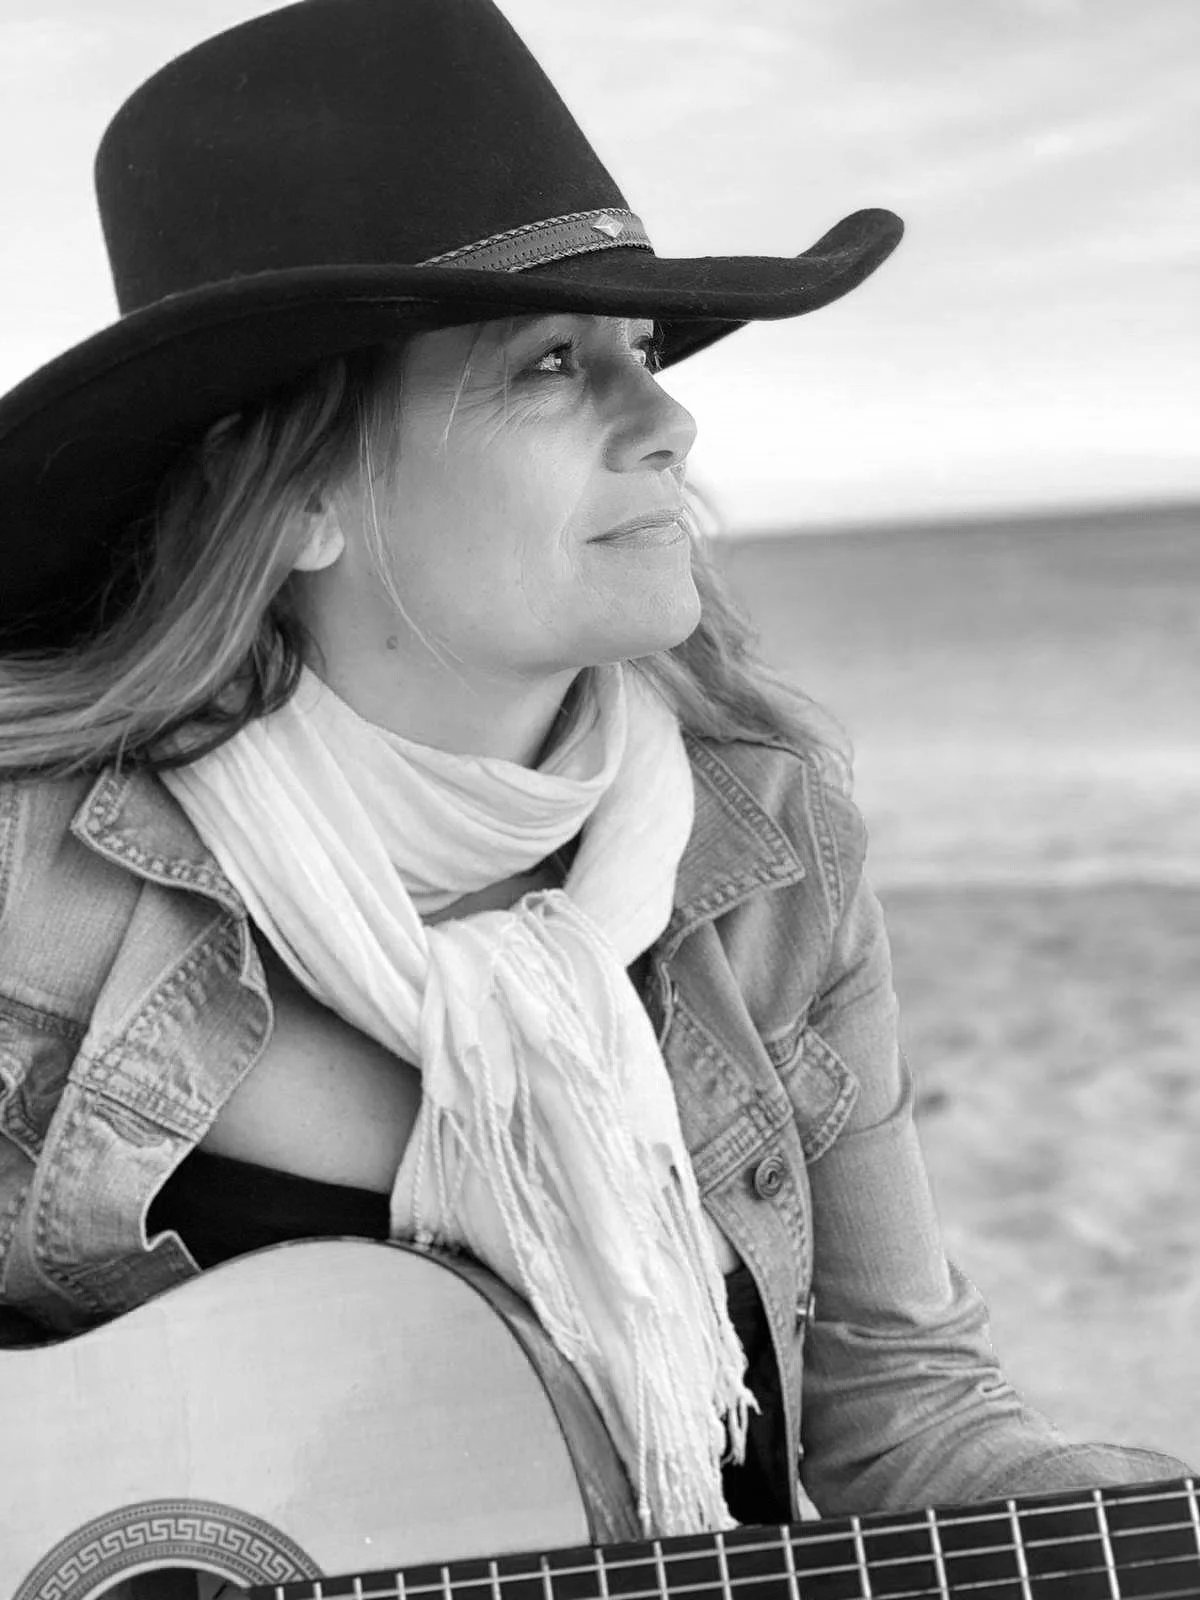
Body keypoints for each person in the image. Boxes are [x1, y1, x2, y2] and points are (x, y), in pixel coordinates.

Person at [0, 0, 1188, 1569]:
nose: (670, 420)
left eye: (644, 354)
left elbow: (905, 1415)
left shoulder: (772, 844)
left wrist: (1147, 1527)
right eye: (555, 364)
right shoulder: (31, 875)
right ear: (294, 498)